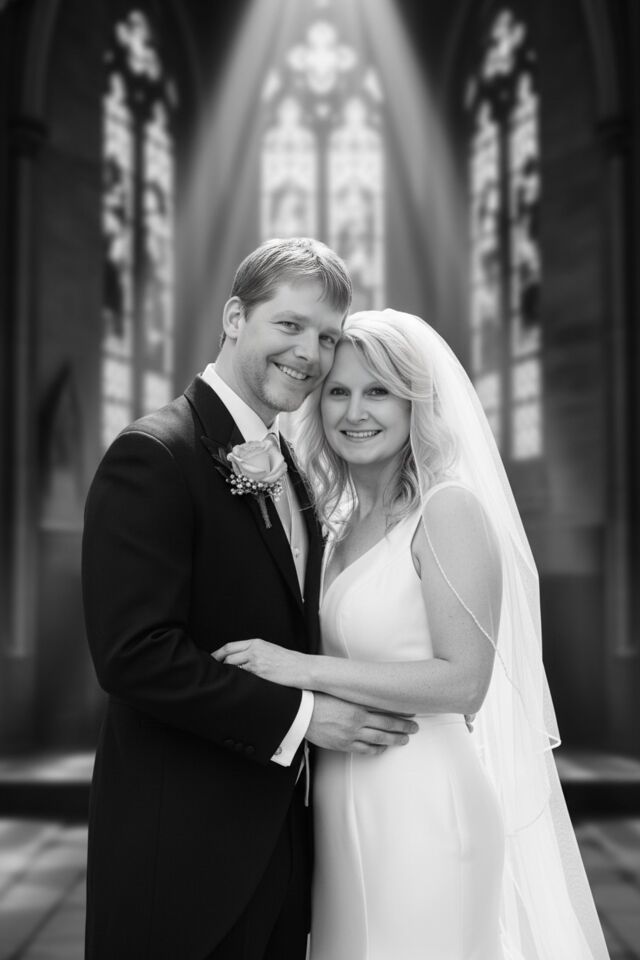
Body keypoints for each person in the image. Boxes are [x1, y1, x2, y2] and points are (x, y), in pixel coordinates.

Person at [214, 309, 612, 960]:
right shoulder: (336, 521)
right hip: (339, 805)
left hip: (425, 802)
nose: (354, 412)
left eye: (378, 391)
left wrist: (299, 669)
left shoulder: (447, 509)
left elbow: (465, 681)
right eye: (337, 392)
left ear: (414, 404)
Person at [81, 242, 418, 960]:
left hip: (282, 850)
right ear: (236, 317)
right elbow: (134, 656)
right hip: (181, 861)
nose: (310, 353)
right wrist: (305, 717)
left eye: (326, 337)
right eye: (289, 325)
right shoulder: (155, 454)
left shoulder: (288, 462)